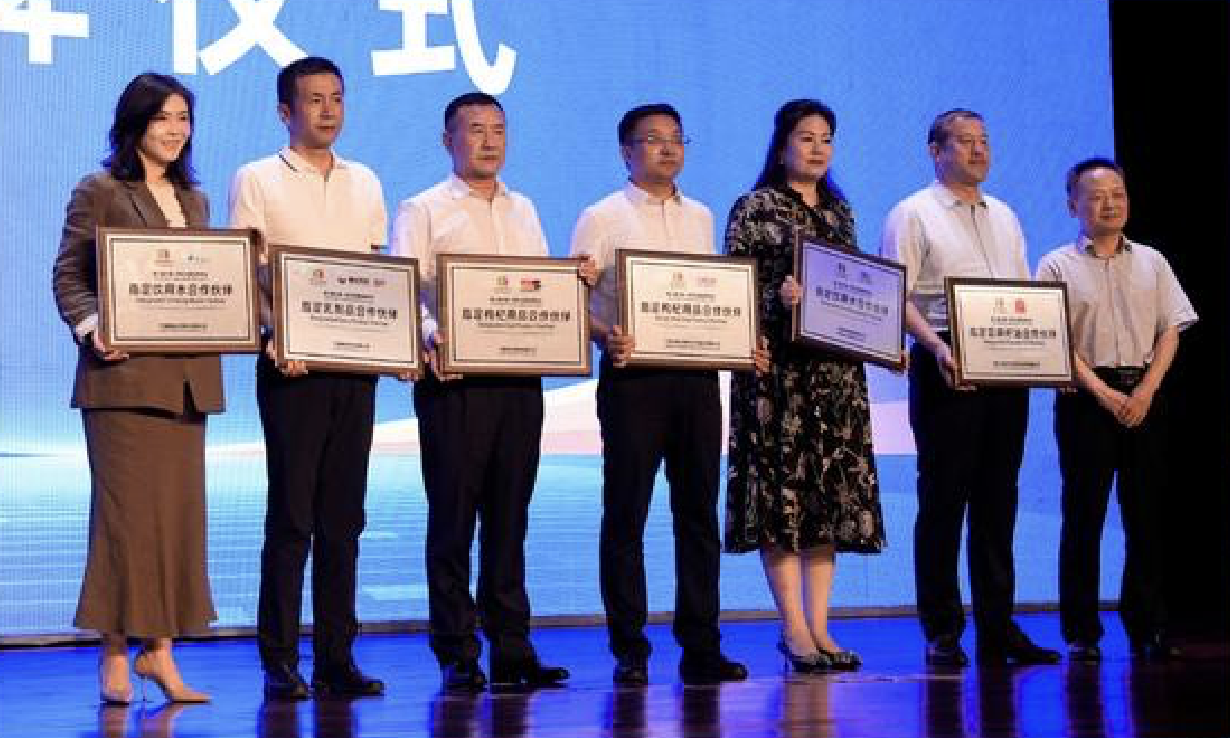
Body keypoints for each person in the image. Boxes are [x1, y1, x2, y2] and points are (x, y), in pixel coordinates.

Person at [391, 92, 574, 692]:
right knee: (453, 520)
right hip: (455, 383)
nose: (489, 140)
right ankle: (456, 650)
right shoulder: (422, 208)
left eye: (498, 129)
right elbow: (402, 290)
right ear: (449, 140)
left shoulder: (524, 208)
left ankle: (512, 647)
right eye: (475, 129)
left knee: (509, 518)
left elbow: (540, 287)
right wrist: (430, 335)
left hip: (519, 382)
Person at [569, 103, 752, 686]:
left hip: (696, 381)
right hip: (633, 380)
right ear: (627, 151)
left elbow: (711, 298)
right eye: (653, 139)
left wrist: (739, 339)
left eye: (677, 138)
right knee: (627, 513)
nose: (669, 148)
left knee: (698, 513)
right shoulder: (601, 216)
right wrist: (607, 335)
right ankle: (630, 646)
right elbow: (573, 298)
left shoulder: (701, 215)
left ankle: (701, 645)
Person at [52, 72, 219, 704]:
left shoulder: (195, 201)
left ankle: (161, 654)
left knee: (176, 522)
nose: (176, 130)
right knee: (125, 524)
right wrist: (92, 327)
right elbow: (69, 275)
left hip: (187, 382)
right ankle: (116, 652)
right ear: (134, 124)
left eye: (184, 118)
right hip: (121, 381)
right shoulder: (99, 190)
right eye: (163, 118)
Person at [229, 56, 387, 700]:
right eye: (315, 99)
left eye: (337, 98)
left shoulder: (365, 181)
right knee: (293, 517)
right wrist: (278, 334)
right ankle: (279, 659)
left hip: (354, 368)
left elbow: (376, 277)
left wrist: (389, 343)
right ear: (284, 111)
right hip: (290, 369)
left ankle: (336, 659)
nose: (328, 110)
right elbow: (247, 273)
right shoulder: (258, 177)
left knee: (344, 519)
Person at [880, 108, 1060, 666]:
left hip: (1005, 363)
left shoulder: (1005, 215)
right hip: (945, 359)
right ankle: (942, 629)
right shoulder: (913, 213)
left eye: (984, 140)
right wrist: (936, 349)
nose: (979, 150)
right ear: (936, 151)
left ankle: (998, 627)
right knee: (943, 499)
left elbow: (1024, 295)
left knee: (998, 500)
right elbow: (895, 295)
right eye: (964, 141)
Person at [723, 99, 886, 674]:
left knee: (827, 502)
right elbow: (732, 289)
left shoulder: (840, 213)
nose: (818, 148)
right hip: (778, 376)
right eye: (806, 137)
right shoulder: (755, 207)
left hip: (836, 379)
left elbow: (857, 293)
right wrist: (777, 299)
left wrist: (881, 335)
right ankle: (792, 627)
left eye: (826, 139)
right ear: (782, 145)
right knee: (783, 501)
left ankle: (820, 626)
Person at [1036, 157, 1197, 663]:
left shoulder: (1152, 260)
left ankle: (1148, 625)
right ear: (1073, 206)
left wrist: (1146, 391)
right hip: (1086, 399)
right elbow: (1055, 339)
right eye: (1097, 196)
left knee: (1146, 516)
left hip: (1145, 393)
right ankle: (1082, 631)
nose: (1110, 204)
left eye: (1118, 194)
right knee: (1083, 516)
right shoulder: (1056, 264)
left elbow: (1171, 329)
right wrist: (1104, 394)